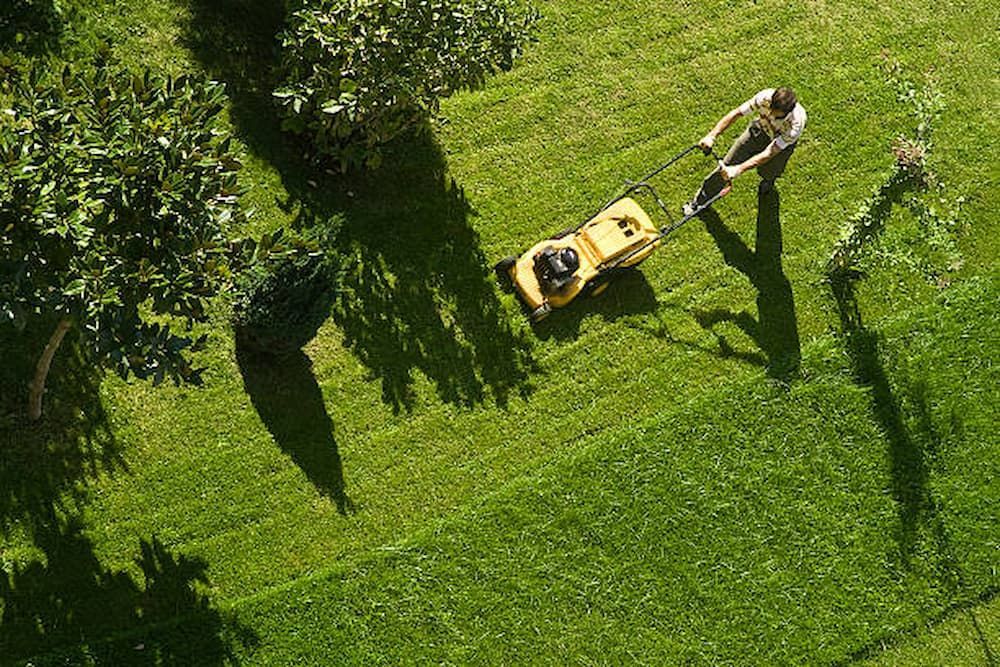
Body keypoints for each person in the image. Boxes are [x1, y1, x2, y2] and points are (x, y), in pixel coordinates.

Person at [683, 87, 806, 216]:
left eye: (776, 115)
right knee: (726, 166)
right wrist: (712, 135)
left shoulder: (796, 124)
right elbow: (737, 113)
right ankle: (699, 202)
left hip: (779, 145)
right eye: (770, 110)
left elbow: (770, 152)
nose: (770, 115)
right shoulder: (764, 97)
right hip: (758, 131)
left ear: (787, 112)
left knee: (770, 171)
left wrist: (739, 169)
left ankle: (768, 181)